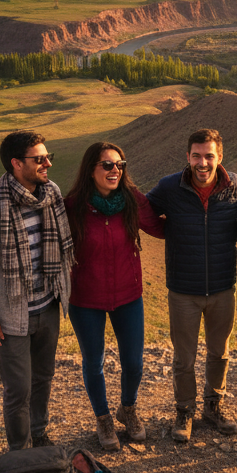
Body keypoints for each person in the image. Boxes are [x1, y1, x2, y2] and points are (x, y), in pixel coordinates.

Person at [0, 130, 74, 450]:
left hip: (48, 307)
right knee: (18, 389)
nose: (47, 163)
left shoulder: (51, 195)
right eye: (39, 159)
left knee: (43, 379)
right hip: (11, 317)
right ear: (16, 164)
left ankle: (39, 434)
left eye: (48, 157)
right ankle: (19, 452)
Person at [147, 128, 237, 442]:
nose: (202, 163)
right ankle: (184, 411)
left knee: (220, 353)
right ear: (188, 157)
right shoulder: (169, 187)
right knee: (183, 358)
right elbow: (146, 213)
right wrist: (170, 233)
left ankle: (213, 406)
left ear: (220, 158)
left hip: (222, 287)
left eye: (209, 156)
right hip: (183, 289)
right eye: (196, 156)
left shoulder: (234, 186)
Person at [65, 141, 165, 452]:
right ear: (91, 170)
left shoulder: (133, 200)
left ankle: (128, 409)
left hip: (127, 294)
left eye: (119, 164)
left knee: (133, 363)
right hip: (85, 298)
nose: (115, 170)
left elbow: (160, 229)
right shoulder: (73, 206)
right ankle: (103, 417)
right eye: (107, 165)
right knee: (93, 362)